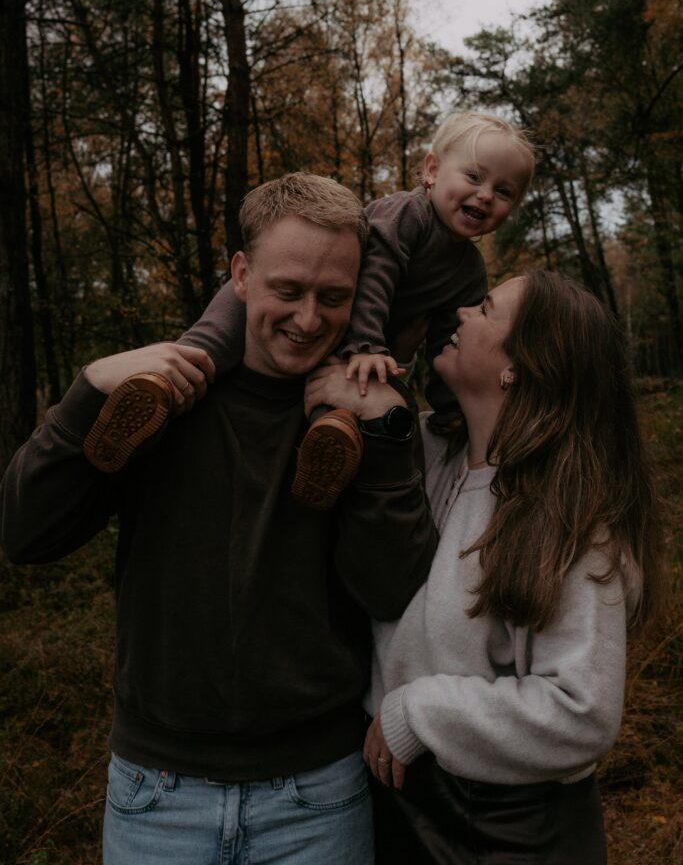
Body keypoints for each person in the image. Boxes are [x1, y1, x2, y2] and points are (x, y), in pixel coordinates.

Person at [0, 173, 438, 865]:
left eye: (333, 298)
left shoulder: (361, 413)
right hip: (157, 795)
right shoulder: (161, 398)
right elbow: (25, 534)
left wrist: (386, 439)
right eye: (288, 290)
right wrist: (86, 393)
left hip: (318, 794)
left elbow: (391, 590)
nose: (308, 320)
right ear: (240, 275)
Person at [316, 269, 664, 864]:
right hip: (404, 807)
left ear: (519, 367)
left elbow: (583, 713)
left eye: (484, 309)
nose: (462, 314)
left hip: (512, 831)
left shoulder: (570, 520)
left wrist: (419, 711)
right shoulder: (428, 457)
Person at [83, 112, 535, 511]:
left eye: (503, 191)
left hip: (349, 341)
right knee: (213, 340)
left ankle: (328, 446)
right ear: (432, 170)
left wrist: (450, 409)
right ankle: (161, 389)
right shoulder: (406, 214)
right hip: (342, 323)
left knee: (348, 398)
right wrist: (367, 345)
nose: (485, 195)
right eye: (473, 176)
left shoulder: (469, 272)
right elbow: (375, 276)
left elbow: (447, 342)